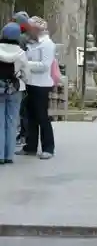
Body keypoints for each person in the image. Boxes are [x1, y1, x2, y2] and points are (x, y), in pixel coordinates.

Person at [16, 16, 56, 160]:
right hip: (30, 83)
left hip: (41, 84)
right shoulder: (31, 43)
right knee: (30, 116)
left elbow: (45, 65)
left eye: (29, 29)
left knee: (42, 116)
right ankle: (30, 146)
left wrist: (26, 64)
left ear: (36, 29)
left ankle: (48, 147)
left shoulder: (47, 44)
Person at [0, 22, 29, 164]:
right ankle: (9, 155)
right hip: (15, 89)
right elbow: (26, 74)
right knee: (12, 122)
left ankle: (0, 154)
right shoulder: (21, 53)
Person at [11, 11, 30, 145]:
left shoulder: (21, 38)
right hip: (24, 75)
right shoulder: (27, 37)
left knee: (23, 109)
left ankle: (24, 134)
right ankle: (23, 133)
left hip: (20, 76)